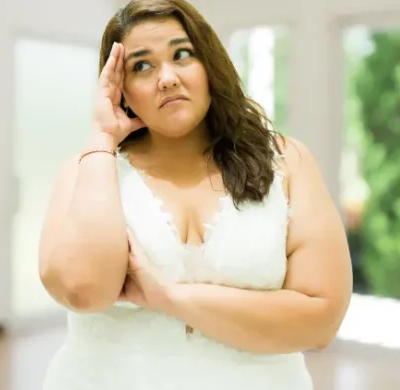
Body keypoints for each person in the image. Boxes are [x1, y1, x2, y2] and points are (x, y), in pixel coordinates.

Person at [37, 0, 352, 388]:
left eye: (181, 54)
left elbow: (320, 320)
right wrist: (101, 136)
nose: (166, 77)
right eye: (141, 65)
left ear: (209, 64)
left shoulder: (287, 162)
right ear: (122, 90)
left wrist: (168, 297)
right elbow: (85, 291)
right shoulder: (86, 171)